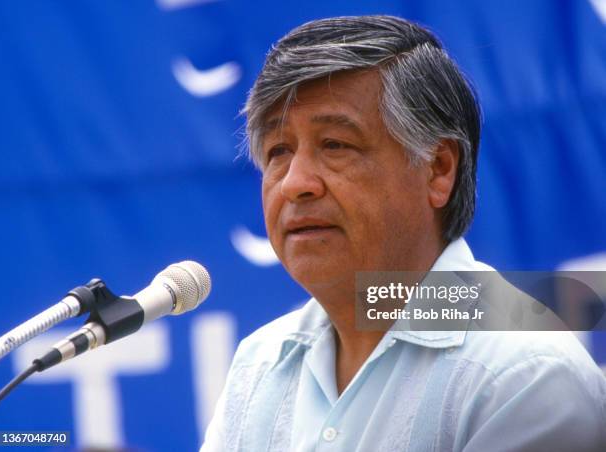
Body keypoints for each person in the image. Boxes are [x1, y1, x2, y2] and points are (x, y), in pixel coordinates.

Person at [201, 15, 606, 451]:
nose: (296, 182)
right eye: (279, 151)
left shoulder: (523, 372)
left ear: (437, 169)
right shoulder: (260, 363)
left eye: (335, 145)